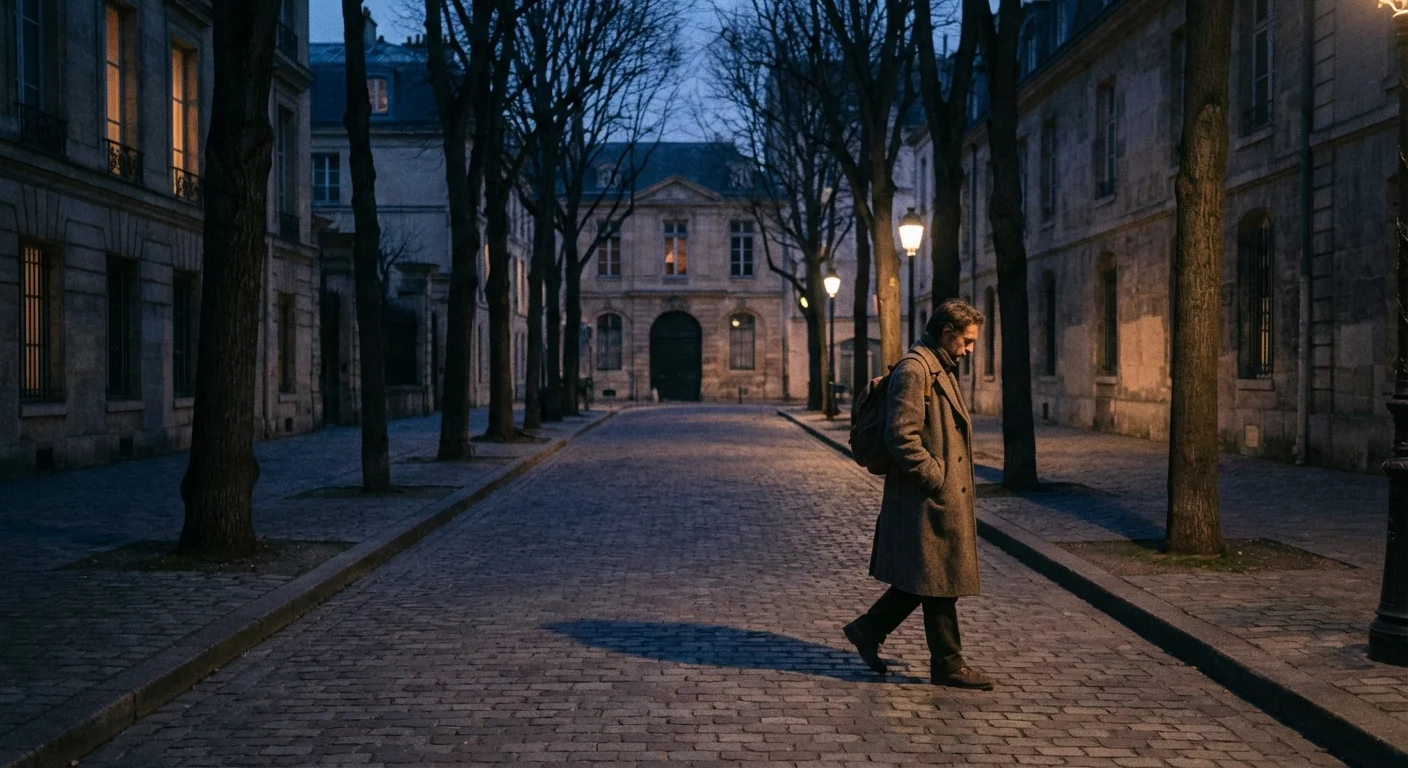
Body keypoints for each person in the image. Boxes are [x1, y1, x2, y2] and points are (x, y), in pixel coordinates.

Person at [843, 298, 992, 690]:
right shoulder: (916, 369)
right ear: (946, 332)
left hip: (933, 498)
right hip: (924, 499)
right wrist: (935, 478)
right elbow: (901, 435)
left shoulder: (938, 365)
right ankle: (948, 663)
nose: (970, 349)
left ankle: (868, 629)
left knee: (928, 580)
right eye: (967, 340)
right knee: (937, 580)